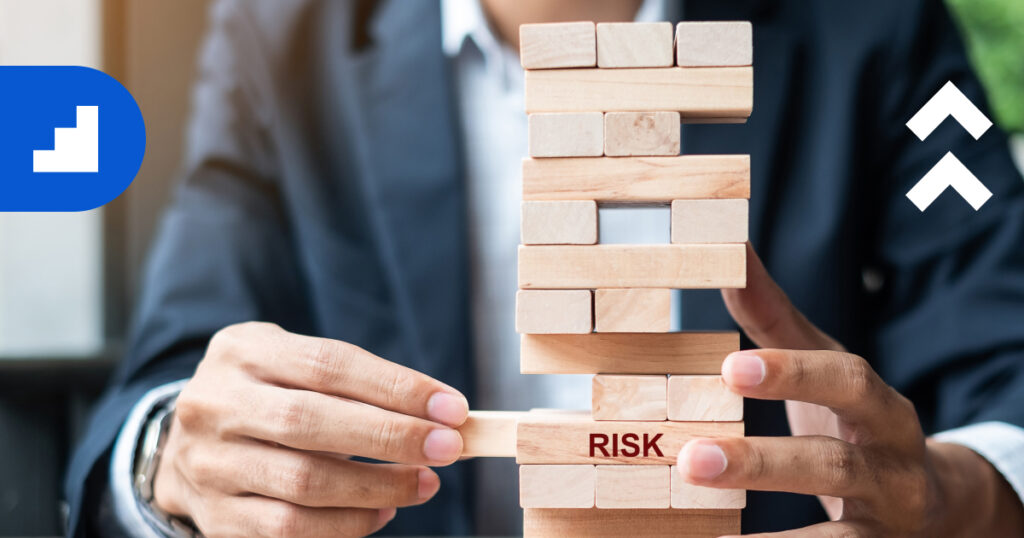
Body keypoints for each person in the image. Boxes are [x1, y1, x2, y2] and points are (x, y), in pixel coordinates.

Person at [66, 0, 1024, 535]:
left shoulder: (891, 31)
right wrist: (171, 468)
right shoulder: (277, 40)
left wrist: (957, 493)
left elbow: (1005, 354)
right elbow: (172, 376)